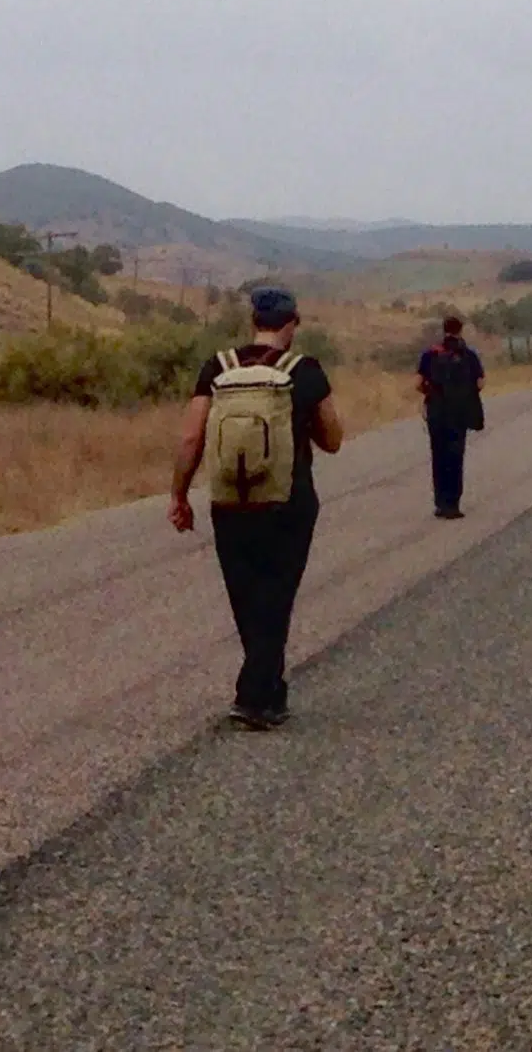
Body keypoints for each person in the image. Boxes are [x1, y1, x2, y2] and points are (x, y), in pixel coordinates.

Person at [170, 286, 344, 730]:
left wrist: (179, 495)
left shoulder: (218, 367)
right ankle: (254, 697)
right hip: (289, 501)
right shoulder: (305, 370)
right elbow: (333, 440)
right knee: (277, 595)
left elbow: (190, 438)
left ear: (253, 321)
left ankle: (268, 691)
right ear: (292, 323)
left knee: (246, 597)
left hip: (230, 501)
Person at [416, 315, 485, 519]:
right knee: (455, 456)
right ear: (460, 330)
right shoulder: (469, 355)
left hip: (437, 412)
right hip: (459, 413)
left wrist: (432, 394)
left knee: (439, 456)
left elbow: (418, 383)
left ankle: (440, 503)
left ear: (444, 329)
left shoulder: (430, 354)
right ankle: (453, 503)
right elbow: (480, 383)